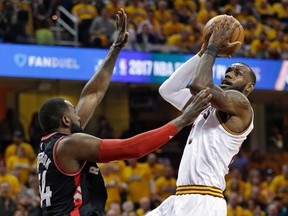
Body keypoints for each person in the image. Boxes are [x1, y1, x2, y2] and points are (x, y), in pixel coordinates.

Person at [37, 8, 212, 216]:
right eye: (74, 111)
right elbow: (131, 149)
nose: (79, 114)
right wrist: (182, 120)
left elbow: (92, 94)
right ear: (66, 120)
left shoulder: (53, 143)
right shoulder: (69, 144)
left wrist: (115, 47)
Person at [147, 15, 256, 216]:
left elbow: (197, 84)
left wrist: (213, 48)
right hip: (180, 197)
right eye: (229, 70)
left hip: (204, 199)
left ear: (249, 87)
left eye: (237, 73)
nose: (229, 74)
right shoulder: (205, 107)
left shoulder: (242, 105)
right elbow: (168, 90)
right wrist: (202, 53)